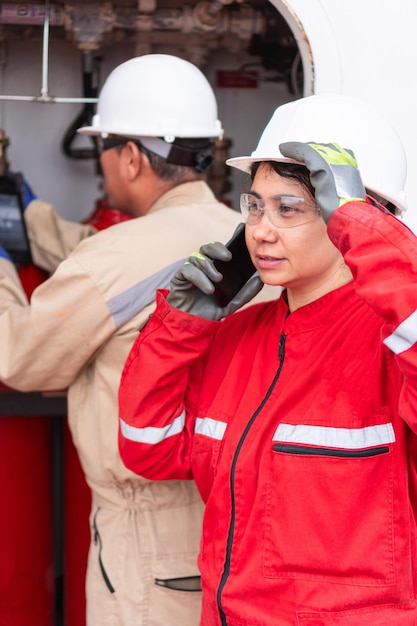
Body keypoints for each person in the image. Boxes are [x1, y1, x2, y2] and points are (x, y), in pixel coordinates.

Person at [118, 93, 417, 625]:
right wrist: (180, 328)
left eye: (291, 208)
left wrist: (362, 228)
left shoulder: (393, 344)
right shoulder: (237, 338)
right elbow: (150, 449)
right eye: (255, 204)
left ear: (358, 214)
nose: (261, 230)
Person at [0, 54, 276, 626]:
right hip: (240, 525)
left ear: (129, 156)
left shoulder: (117, 255)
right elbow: (122, 266)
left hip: (147, 544)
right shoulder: (256, 240)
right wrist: (34, 221)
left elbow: (20, 359)